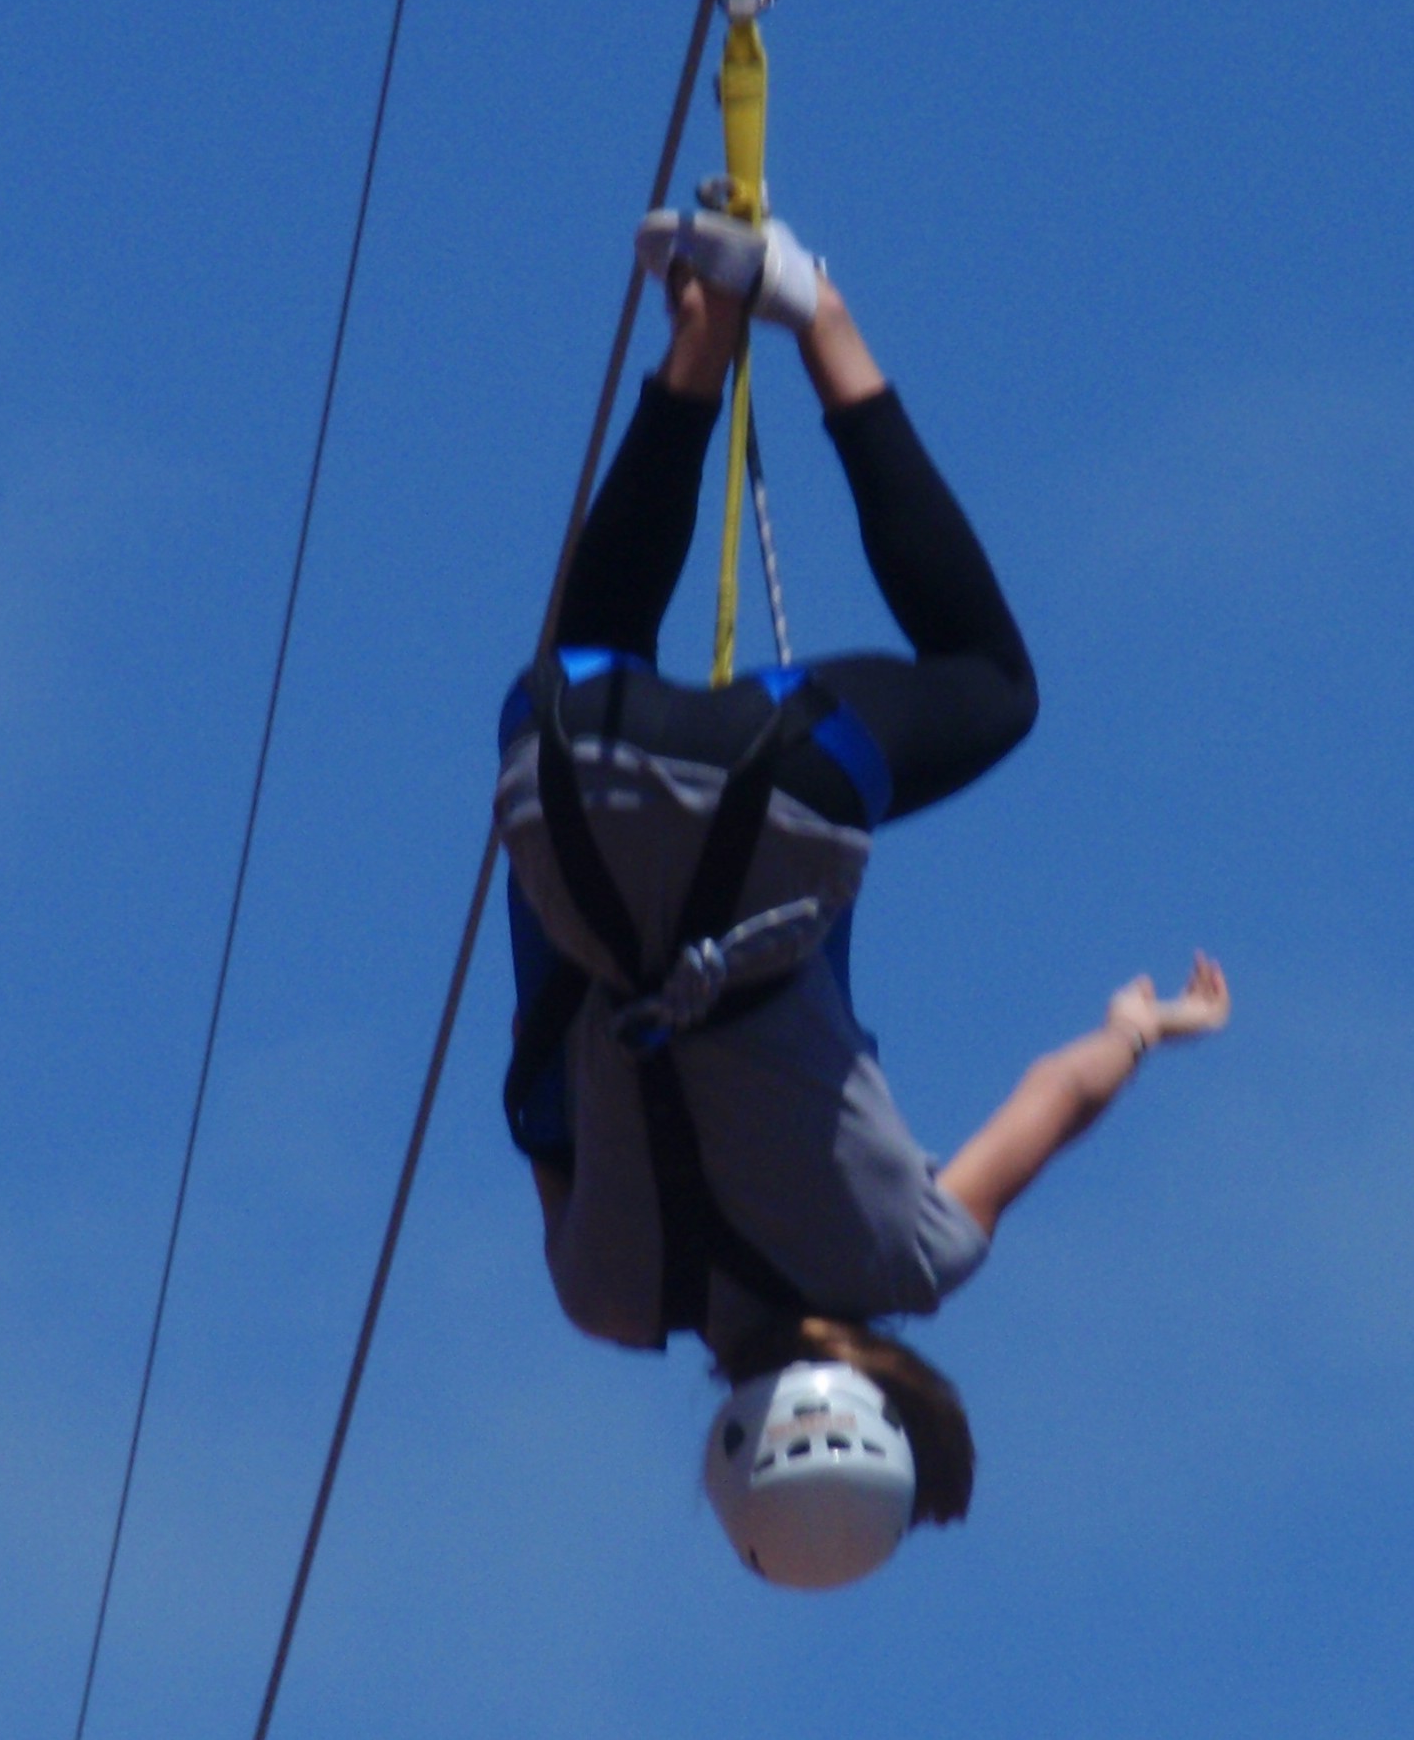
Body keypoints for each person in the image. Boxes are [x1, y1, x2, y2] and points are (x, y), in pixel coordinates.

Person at [494, 206, 1230, 1588]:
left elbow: (1055, 1099)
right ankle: (700, 344)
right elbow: (544, 1062)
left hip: (783, 792)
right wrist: (541, 821)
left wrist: (1141, 1024)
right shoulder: (603, 1298)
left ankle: (808, 309)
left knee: (990, 683)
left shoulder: (917, 1258)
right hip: (568, 805)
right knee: (594, 656)